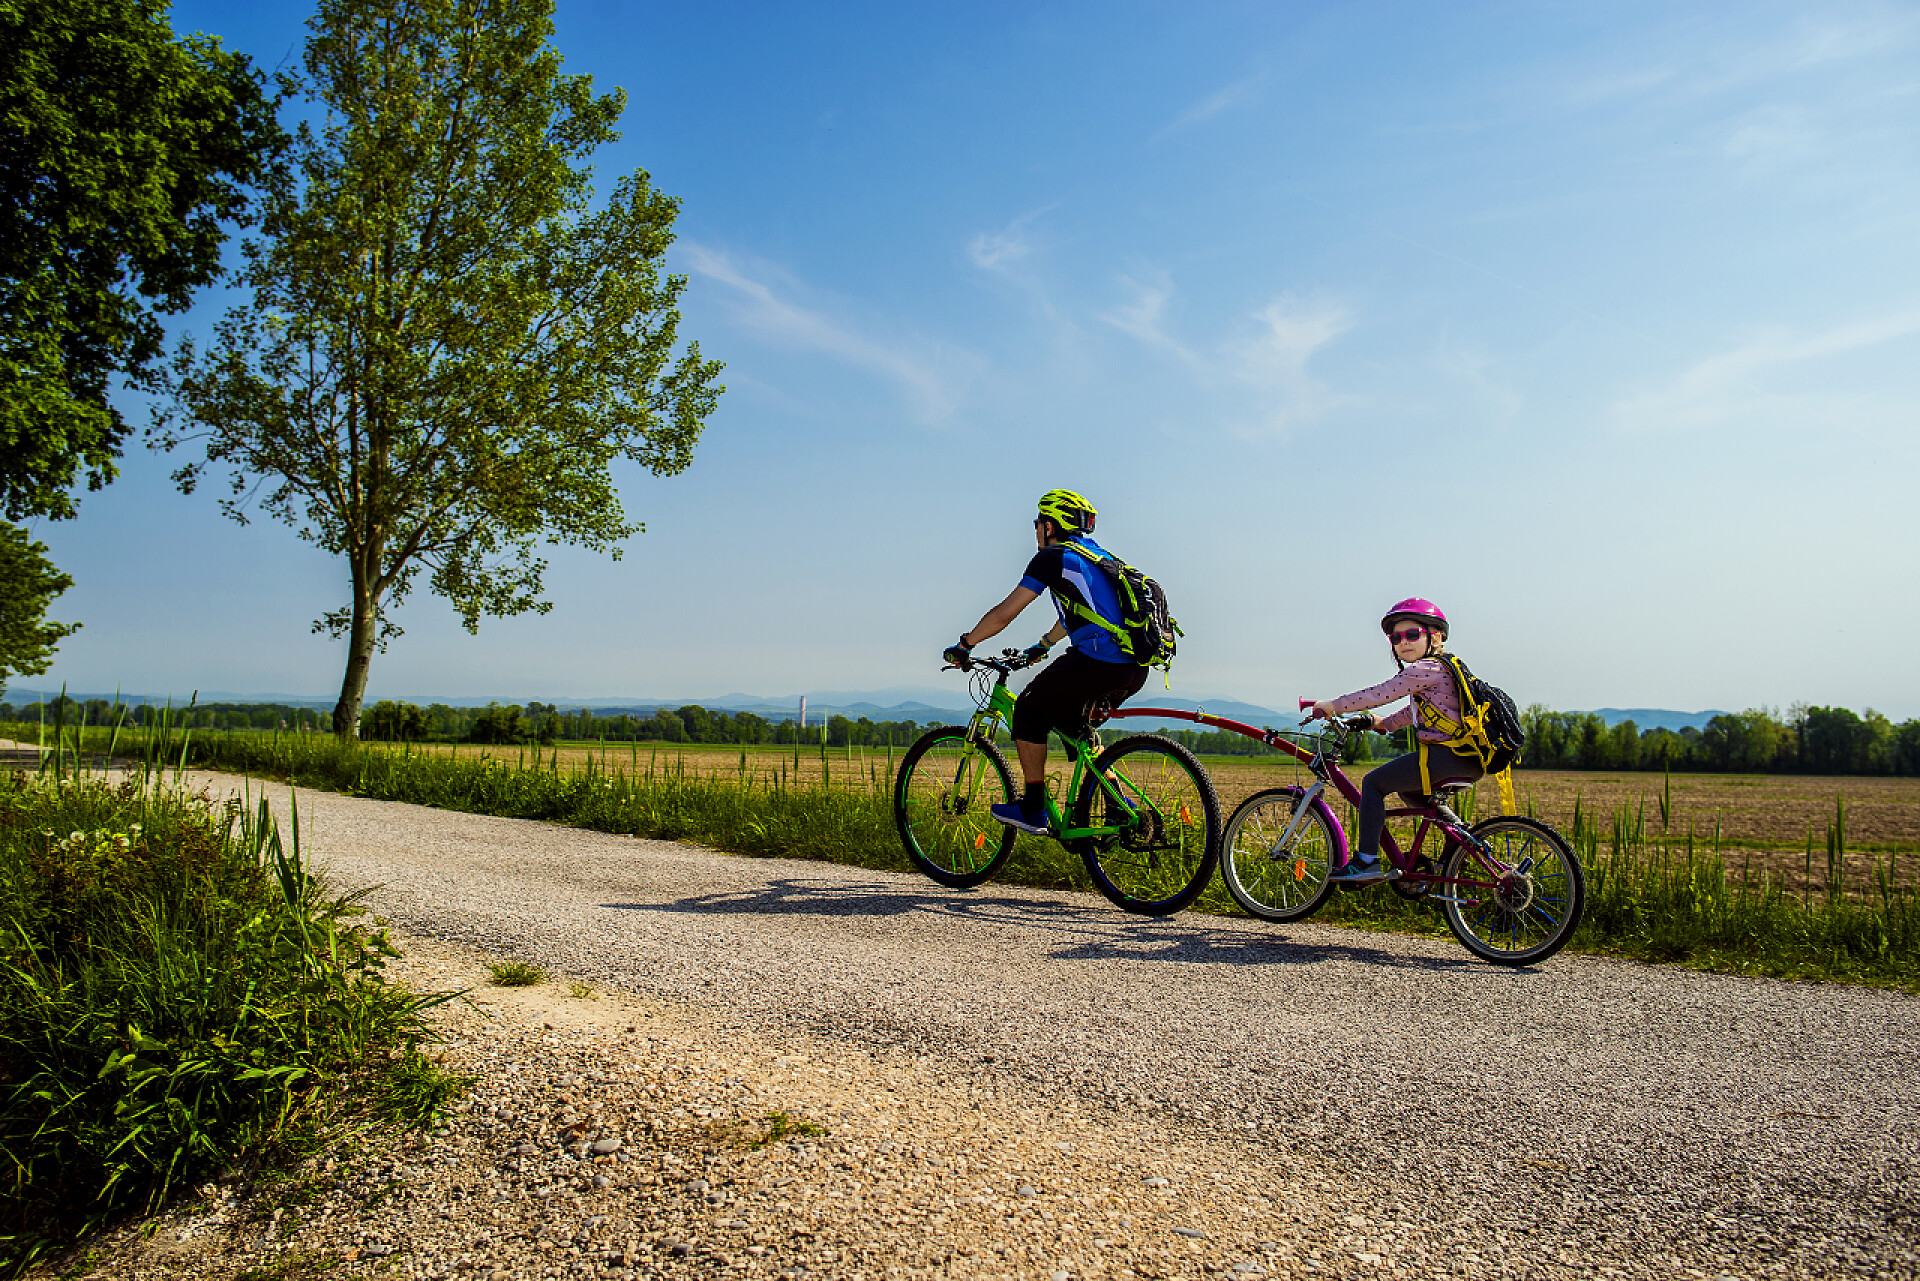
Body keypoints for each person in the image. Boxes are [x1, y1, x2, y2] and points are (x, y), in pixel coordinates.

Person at [941, 489, 1151, 834]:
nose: (1036, 529)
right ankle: (1118, 807)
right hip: (1133, 667)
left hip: (1098, 662)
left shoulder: (1052, 557)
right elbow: (1085, 614)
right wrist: (1043, 645)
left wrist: (966, 644)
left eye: (1038, 523)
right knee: (1075, 730)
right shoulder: (1096, 557)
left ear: (1050, 526)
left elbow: (1005, 614)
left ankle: (1033, 808)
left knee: (1028, 710)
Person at [1307, 598, 1485, 885]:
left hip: (1444, 757)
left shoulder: (1426, 668)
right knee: (1411, 794)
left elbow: (1382, 693)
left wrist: (1333, 705)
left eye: (1412, 634)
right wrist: (1385, 724)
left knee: (1373, 783)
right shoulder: (1445, 668)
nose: (1403, 642)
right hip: (1466, 759)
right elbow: (1420, 710)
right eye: (1396, 637)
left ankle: (1366, 861)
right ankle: (1458, 837)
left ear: (1435, 636)